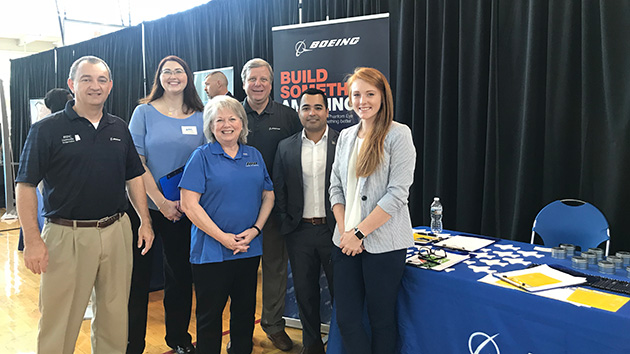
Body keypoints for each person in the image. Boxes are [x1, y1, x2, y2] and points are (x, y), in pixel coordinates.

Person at [15, 55, 154, 354]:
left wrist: (145, 220)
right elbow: (25, 186)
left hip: (116, 231)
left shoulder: (119, 128)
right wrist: (33, 240)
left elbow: (134, 177)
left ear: (110, 85)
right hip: (67, 236)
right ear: (72, 84)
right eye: (87, 79)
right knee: (59, 321)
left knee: (115, 316)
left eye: (102, 80)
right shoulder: (46, 130)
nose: (95, 86)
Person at [329, 67, 416, 353]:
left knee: (381, 321)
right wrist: (346, 233)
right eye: (356, 94)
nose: (362, 100)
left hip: (384, 245)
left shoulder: (398, 134)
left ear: (383, 96)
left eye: (370, 94)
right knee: (347, 320)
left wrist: (360, 232)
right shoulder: (345, 136)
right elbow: (335, 188)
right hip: (345, 243)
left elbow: (397, 195)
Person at [180, 95, 274, 354]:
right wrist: (223, 237)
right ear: (210, 126)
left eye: (232, 118)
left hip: (248, 249)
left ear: (242, 124)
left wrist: (255, 230)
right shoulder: (201, 157)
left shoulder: (253, 155)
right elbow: (189, 205)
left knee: (244, 313)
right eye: (219, 120)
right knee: (210, 318)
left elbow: (269, 194)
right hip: (211, 254)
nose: (226, 124)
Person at [128, 55, 204, 354]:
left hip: (186, 210)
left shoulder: (202, 113)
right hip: (145, 209)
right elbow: (136, 163)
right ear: (158, 77)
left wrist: (183, 203)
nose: (174, 76)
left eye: (179, 71)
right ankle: (133, 343)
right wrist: (161, 201)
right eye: (167, 71)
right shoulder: (143, 112)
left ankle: (179, 339)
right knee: (138, 279)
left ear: (188, 76)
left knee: (180, 277)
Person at [241, 57, 302, 351]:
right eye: (253, 79)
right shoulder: (230, 113)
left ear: (272, 82)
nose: (258, 84)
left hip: (276, 209)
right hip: (236, 208)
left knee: (275, 268)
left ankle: (274, 325)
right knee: (240, 271)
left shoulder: (288, 117)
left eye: (263, 79)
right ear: (244, 83)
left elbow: (295, 161)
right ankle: (241, 329)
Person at [273, 88, 338, 354]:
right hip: (299, 232)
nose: (312, 113)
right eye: (306, 108)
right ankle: (312, 347)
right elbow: (279, 189)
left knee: (342, 294)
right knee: (305, 294)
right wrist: (286, 222)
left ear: (327, 111)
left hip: (335, 231)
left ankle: (340, 345)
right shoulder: (285, 146)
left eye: (318, 107)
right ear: (299, 112)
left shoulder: (344, 142)